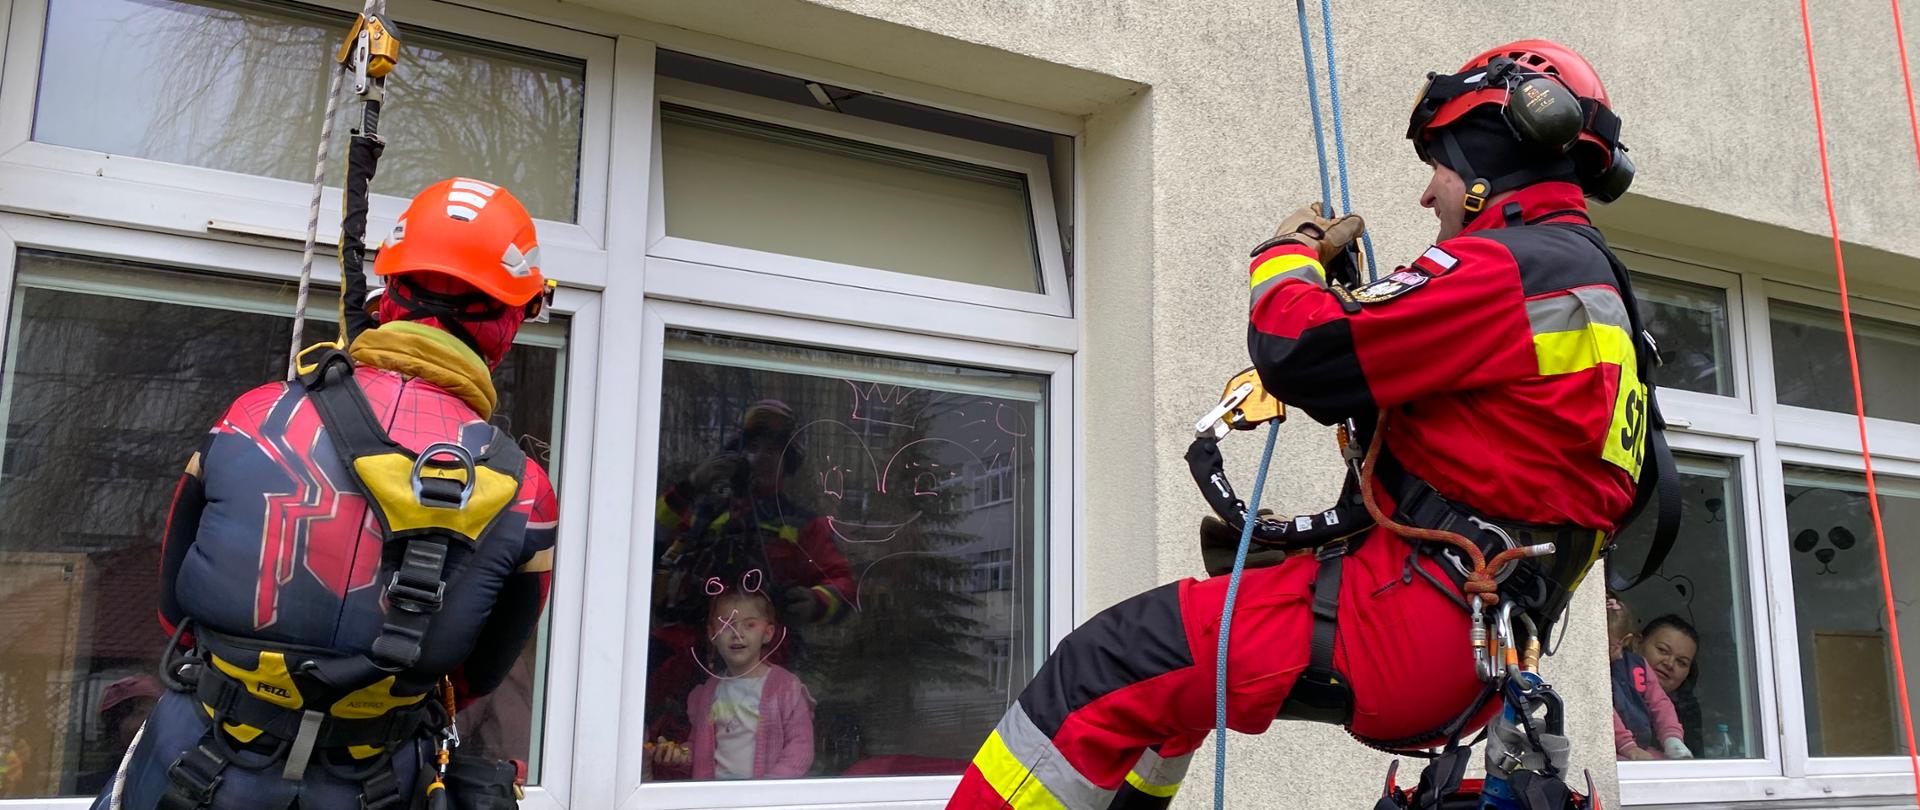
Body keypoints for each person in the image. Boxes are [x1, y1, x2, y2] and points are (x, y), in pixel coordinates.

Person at [948, 39, 1660, 809]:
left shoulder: (1511, 268)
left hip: (1404, 620)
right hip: (1471, 635)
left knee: (1102, 664)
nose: (1429, 196)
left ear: (1491, 159)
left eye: (1441, 167)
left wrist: (1285, 255)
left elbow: (1297, 346)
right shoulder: (1601, 299)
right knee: (1167, 697)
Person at [93, 177, 559, 810]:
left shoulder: (252, 416)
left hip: (191, 766)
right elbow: (477, 677)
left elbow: (174, 609)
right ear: (510, 319)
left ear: (389, 292)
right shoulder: (525, 491)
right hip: (374, 786)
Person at [646, 399, 856, 775]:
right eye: (754, 447)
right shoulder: (706, 512)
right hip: (685, 656)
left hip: (759, 660)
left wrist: (814, 601)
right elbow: (644, 541)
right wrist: (691, 487)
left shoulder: (802, 524)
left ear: (788, 461)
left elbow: (842, 583)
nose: (762, 457)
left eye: (774, 449)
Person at [650, 589, 817, 780]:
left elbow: (800, 748)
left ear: (767, 633)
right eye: (726, 625)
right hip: (718, 794)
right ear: (712, 634)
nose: (737, 634)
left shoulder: (785, 688)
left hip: (765, 795)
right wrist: (680, 754)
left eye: (750, 625)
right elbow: (700, 747)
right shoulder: (708, 692)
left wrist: (768, 789)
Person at [1608, 599, 1691, 760]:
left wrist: (1672, 738)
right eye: (1662, 650)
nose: (1669, 663)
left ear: (1625, 640)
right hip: (1616, 749)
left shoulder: (1639, 666)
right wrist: (1627, 746)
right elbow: (1604, 710)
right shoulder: (1596, 672)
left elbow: (1660, 703)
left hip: (1640, 747)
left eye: (1609, 646)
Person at [75, 676, 162, 795]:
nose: (155, 722)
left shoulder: (175, 776)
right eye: (141, 712)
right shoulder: (95, 789)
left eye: (156, 714)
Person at [1639, 614, 1703, 755]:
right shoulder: (1611, 689)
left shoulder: (1687, 712)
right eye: (1662, 650)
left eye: (1681, 662)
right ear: (1637, 644)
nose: (1669, 664)